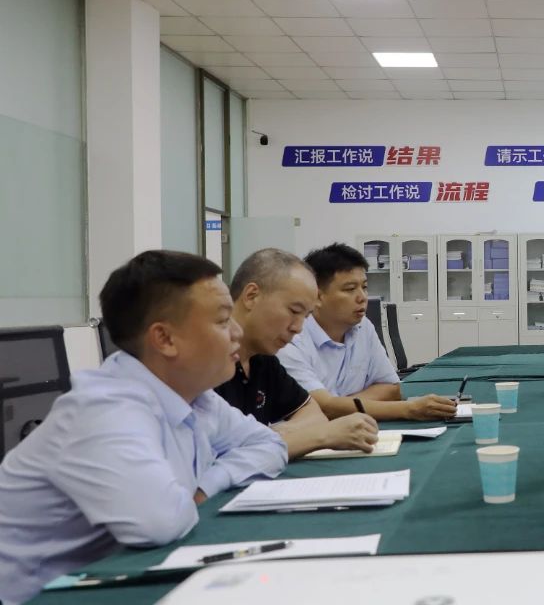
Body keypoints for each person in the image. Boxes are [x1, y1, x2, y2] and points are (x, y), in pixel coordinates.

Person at [0, 251, 288, 603]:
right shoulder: (105, 409)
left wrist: (205, 485)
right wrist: (200, 489)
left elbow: (270, 446)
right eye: (223, 320)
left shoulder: (195, 395)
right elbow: (161, 521)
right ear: (165, 339)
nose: (237, 332)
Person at [219, 248, 379, 460]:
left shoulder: (263, 359)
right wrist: (321, 436)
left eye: (305, 316)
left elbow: (314, 415)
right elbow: (224, 453)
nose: (298, 328)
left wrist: (269, 437)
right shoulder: (207, 364)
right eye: (294, 311)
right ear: (251, 296)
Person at [278, 243, 456, 421]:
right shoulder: (289, 340)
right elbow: (320, 407)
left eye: (364, 287)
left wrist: (339, 405)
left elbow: (391, 389)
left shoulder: (363, 326)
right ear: (316, 296)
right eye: (350, 289)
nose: (362, 297)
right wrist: (408, 409)